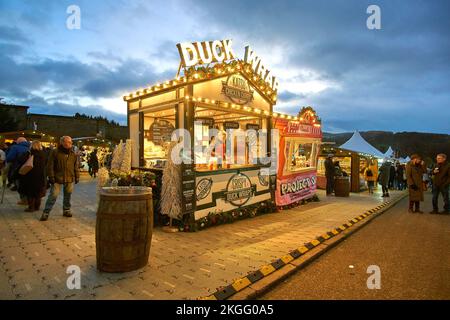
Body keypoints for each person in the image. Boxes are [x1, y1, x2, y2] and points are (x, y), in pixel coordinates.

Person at [40, 136, 79, 221]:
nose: (69, 144)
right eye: (67, 142)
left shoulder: (73, 154)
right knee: (53, 195)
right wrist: (51, 176)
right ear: (62, 142)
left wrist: (77, 176)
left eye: (70, 142)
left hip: (69, 177)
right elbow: (50, 165)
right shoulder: (55, 152)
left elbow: (75, 166)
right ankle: (46, 212)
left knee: (68, 195)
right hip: (57, 177)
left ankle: (66, 210)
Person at [18, 141, 47, 212]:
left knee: (30, 192)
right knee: (38, 191)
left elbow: (21, 160)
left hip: (30, 175)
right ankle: (37, 206)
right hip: (40, 175)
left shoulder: (29, 153)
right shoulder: (43, 154)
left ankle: (31, 207)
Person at [6, 137, 30, 205]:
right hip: (29, 168)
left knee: (19, 183)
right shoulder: (31, 146)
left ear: (18, 142)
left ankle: (24, 200)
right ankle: (29, 199)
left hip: (18, 168)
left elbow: (9, 158)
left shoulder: (15, 147)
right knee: (27, 184)